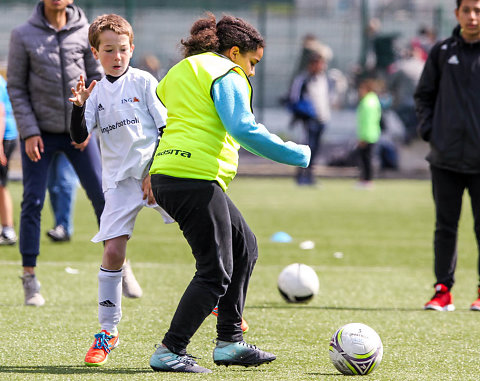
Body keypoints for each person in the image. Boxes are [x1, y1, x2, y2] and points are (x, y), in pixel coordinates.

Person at [148, 13, 310, 373]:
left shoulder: (182, 70)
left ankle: (229, 342)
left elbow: (164, 109)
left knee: (245, 247)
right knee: (214, 271)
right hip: (193, 177)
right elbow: (243, 128)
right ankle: (169, 350)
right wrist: (297, 153)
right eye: (252, 62)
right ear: (234, 52)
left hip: (170, 174)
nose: (252, 71)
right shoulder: (226, 73)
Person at [6, 0, 141, 306]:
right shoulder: (22, 34)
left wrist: (87, 125)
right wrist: (28, 132)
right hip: (38, 134)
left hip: (78, 132)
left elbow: (99, 79)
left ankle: (120, 266)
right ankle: (30, 278)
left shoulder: (85, 31)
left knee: (103, 196)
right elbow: (16, 87)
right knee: (33, 201)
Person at [69, 13, 174, 366]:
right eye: (109, 50)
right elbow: (79, 138)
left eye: (123, 49)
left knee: (201, 233)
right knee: (113, 252)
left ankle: (220, 304)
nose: (117, 55)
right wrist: (79, 107)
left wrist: (155, 174)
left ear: (132, 48)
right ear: (96, 53)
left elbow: (164, 130)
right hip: (118, 184)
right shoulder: (96, 92)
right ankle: (107, 332)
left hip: (154, 175)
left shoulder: (145, 82)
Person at [415, 0, 480, 312]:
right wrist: (431, 131)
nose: (472, 16)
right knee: (445, 226)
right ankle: (443, 291)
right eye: (467, 9)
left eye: (478, 10)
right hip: (445, 159)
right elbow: (423, 95)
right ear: (457, 13)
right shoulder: (441, 52)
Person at [288, 48, 331, 185]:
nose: (322, 66)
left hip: (322, 119)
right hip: (308, 120)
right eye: (319, 63)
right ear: (311, 64)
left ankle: (310, 176)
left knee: (316, 149)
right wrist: (303, 113)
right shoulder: (303, 79)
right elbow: (294, 98)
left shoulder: (324, 79)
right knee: (307, 148)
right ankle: (301, 176)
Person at [0, 74, 18, 246]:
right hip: (6, 137)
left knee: (1, 185)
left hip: (4, 137)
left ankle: (8, 230)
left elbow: (1, 113)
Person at [46, 152, 79, 242]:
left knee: (65, 182)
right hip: (49, 142)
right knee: (52, 186)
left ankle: (64, 228)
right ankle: (58, 225)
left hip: (68, 142)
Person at [355, 77, 381, 188]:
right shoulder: (373, 100)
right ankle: (365, 179)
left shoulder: (367, 103)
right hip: (373, 134)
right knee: (367, 158)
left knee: (366, 159)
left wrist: (363, 137)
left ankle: (367, 180)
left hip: (368, 135)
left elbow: (367, 122)